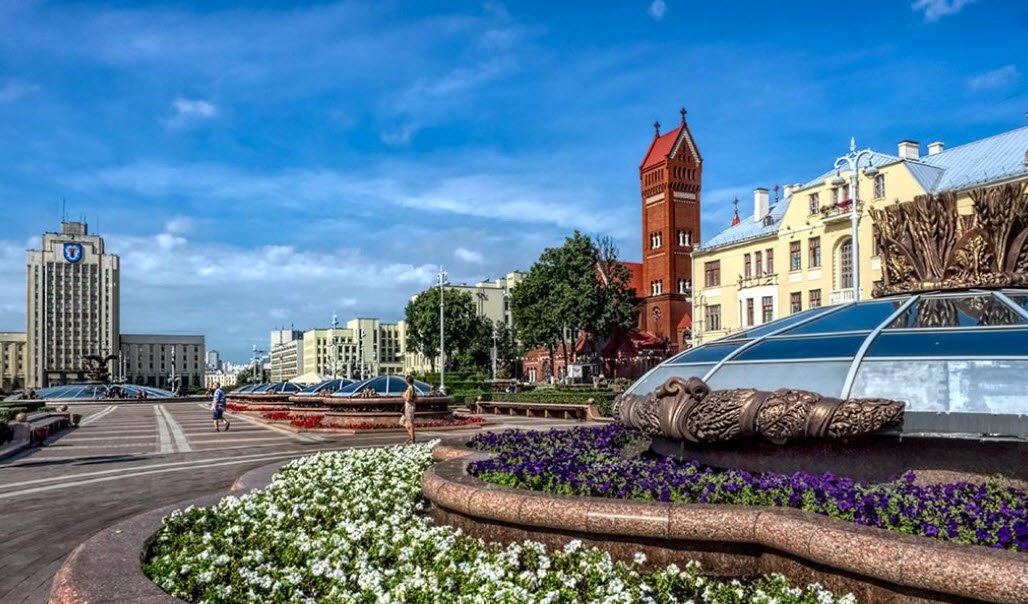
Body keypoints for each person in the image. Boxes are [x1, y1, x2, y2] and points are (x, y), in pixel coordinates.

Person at [400, 375, 417, 445]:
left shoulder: (410, 388)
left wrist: (403, 396)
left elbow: (408, 399)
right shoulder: (413, 388)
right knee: (402, 421)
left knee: (410, 423)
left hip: (409, 407)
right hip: (410, 406)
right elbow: (416, 398)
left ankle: (412, 438)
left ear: (407, 381)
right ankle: (412, 436)